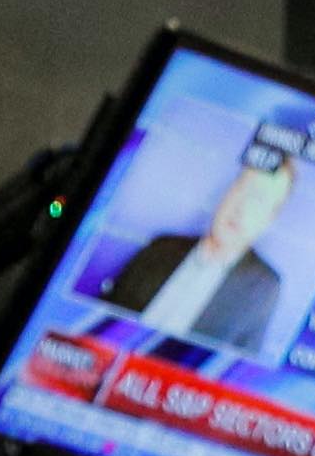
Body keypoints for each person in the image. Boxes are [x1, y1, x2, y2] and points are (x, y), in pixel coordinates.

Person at [106, 141, 298, 353]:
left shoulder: (264, 287)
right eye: (242, 189)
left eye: (258, 200)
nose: (242, 208)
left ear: (268, 220)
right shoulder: (161, 247)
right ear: (227, 193)